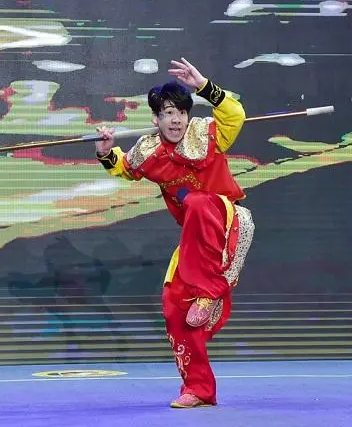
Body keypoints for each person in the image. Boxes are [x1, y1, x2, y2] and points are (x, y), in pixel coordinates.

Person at [95, 57, 255, 408]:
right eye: (168, 113)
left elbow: (235, 115)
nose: (177, 119)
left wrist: (204, 86)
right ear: (156, 119)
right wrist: (106, 153)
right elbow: (125, 167)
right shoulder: (149, 151)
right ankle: (198, 388)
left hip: (226, 224)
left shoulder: (208, 134)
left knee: (196, 202)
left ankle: (208, 292)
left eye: (181, 112)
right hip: (194, 243)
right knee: (173, 308)